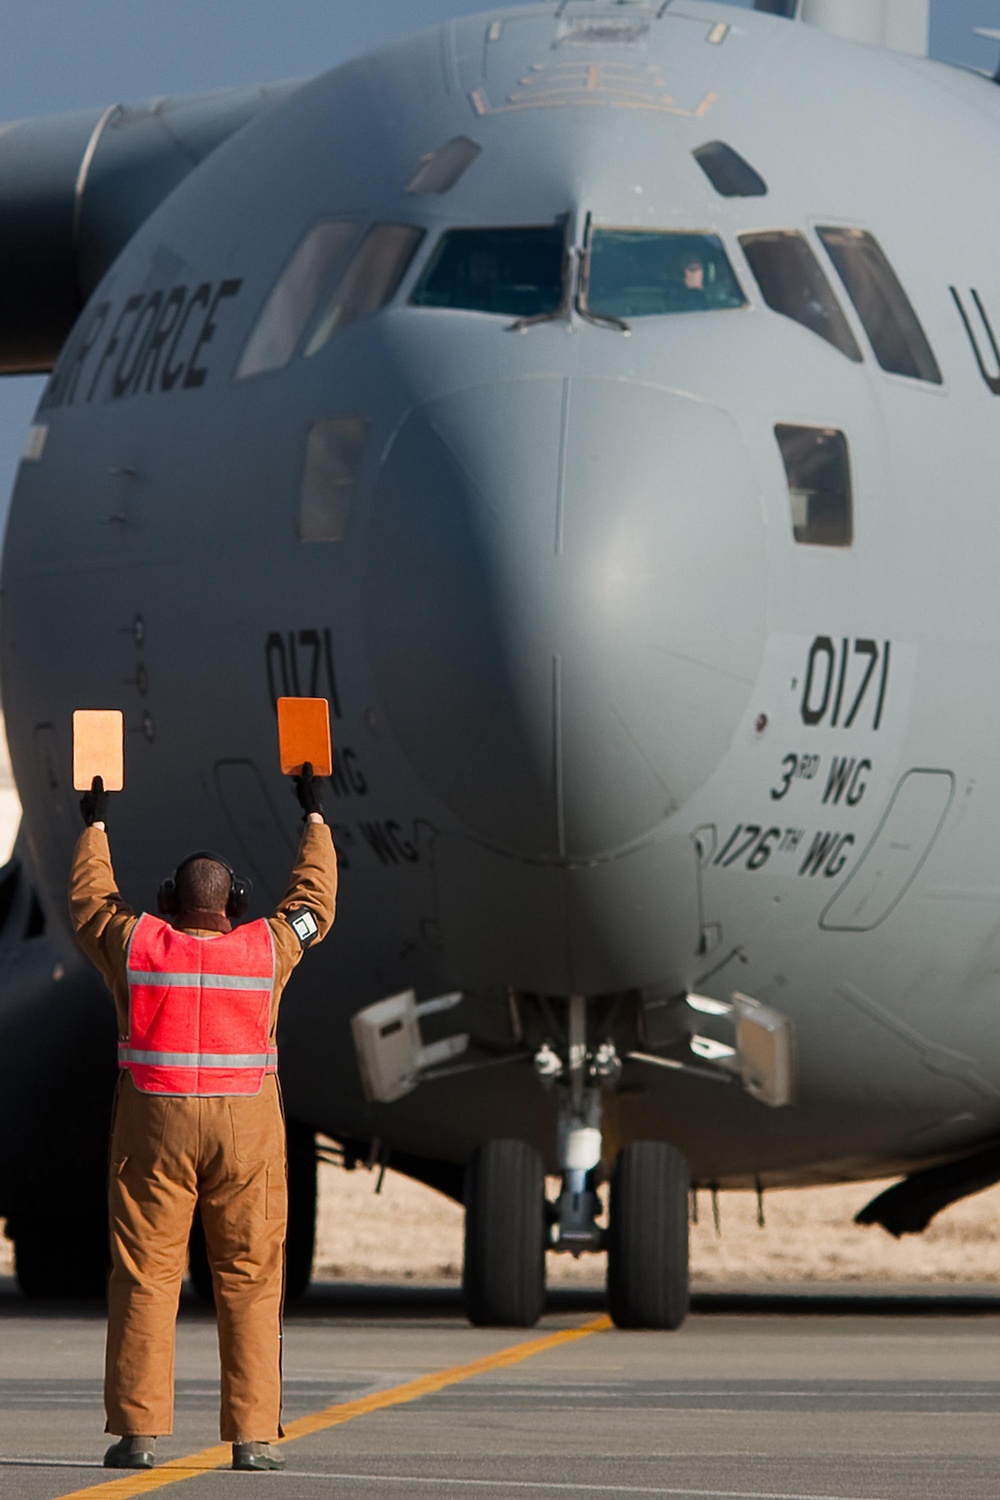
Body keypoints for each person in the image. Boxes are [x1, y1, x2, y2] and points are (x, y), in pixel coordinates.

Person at [68, 764, 338, 1472]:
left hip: (154, 1128)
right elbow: (315, 904)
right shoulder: (267, 948)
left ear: (166, 900)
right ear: (236, 904)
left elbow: (91, 902)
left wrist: (94, 824)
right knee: (249, 1277)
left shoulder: (135, 944)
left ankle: (138, 1435)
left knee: (146, 1276)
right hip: (244, 1132)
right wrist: (314, 819)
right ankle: (251, 1438)